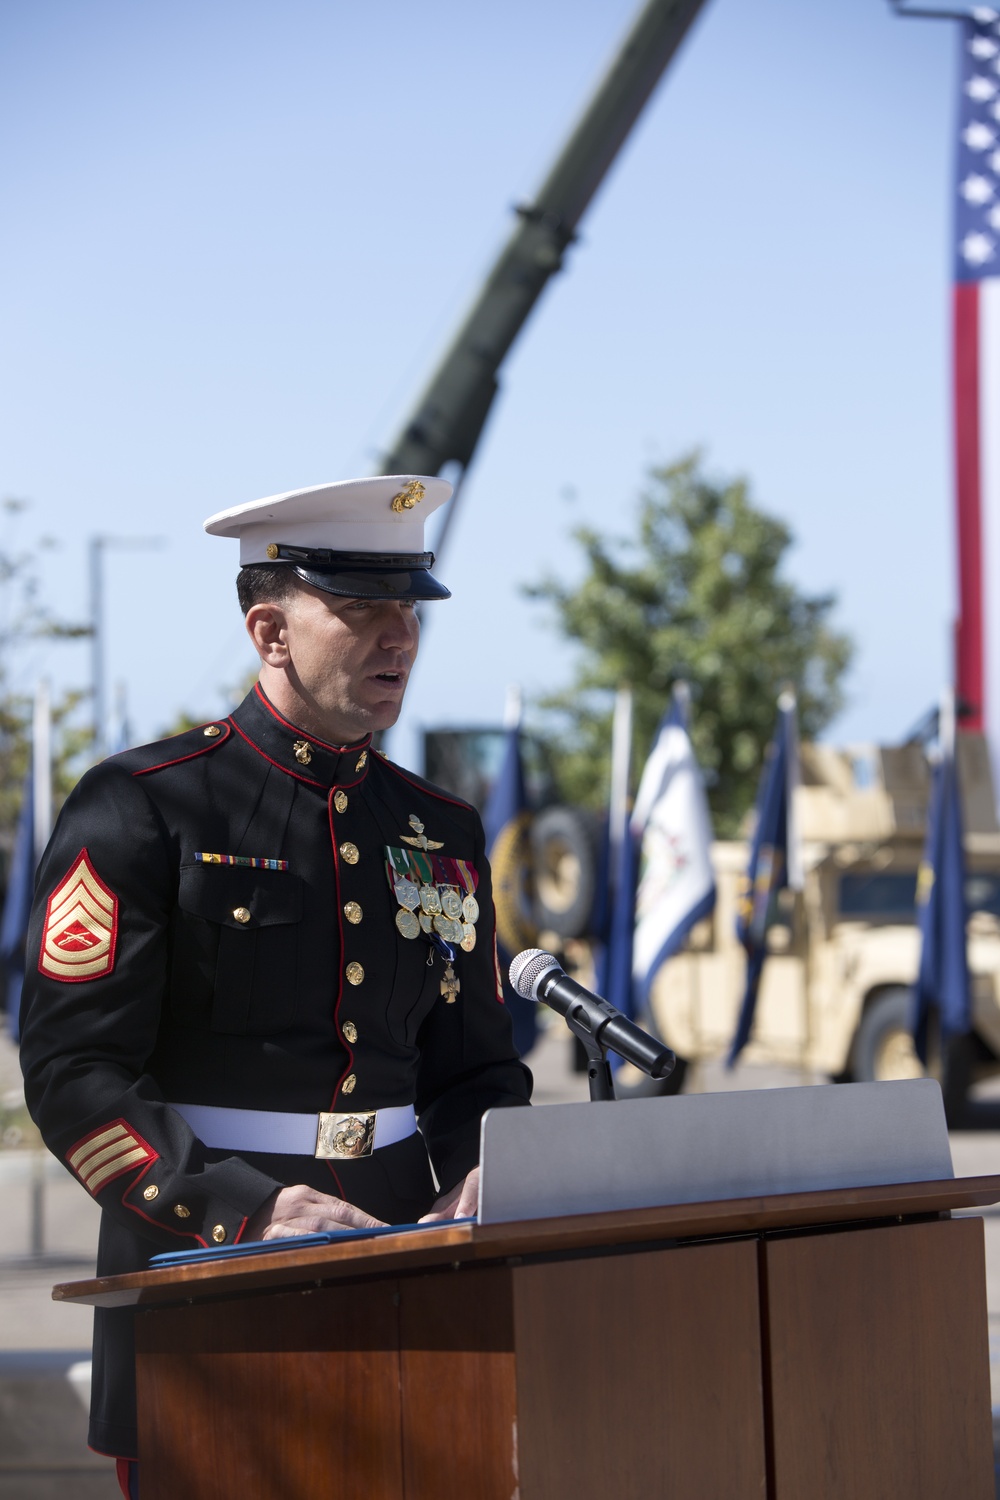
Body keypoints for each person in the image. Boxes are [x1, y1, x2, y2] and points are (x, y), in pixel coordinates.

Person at [18, 474, 532, 1493]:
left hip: (407, 1267)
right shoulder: (145, 808)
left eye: (408, 609)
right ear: (270, 630)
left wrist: (484, 1172)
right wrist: (242, 1211)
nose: (399, 638)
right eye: (360, 610)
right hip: (206, 1276)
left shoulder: (440, 828)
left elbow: (474, 1067)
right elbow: (75, 1071)